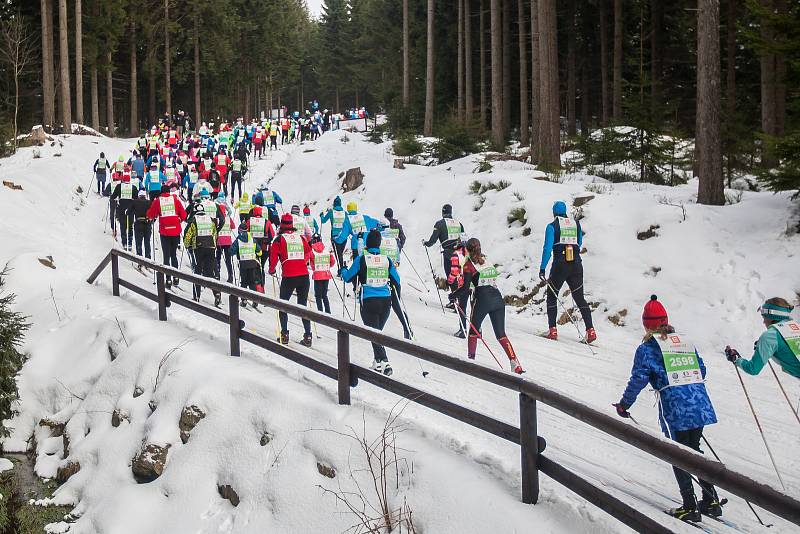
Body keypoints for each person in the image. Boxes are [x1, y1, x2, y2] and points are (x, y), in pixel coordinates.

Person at [614, 295, 720, 522]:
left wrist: (624, 405)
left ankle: (690, 506)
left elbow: (638, 379)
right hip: (699, 402)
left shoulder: (647, 348)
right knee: (694, 450)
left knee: (678, 453)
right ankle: (711, 499)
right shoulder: (682, 341)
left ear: (646, 324)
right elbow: (701, 369)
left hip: (675, 407)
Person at [449, 238, 523, 374]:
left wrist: (454, 295)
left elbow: (465, 288)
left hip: (482, 300)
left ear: (467, 250)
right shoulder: (486, 259)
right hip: (497, 298)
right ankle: (515, 363)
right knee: (501, 334)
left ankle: (470, 362)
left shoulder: (468, 265)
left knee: (473, 331)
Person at [342, 229, 401, 376]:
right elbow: (397, 280)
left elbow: (348, 277)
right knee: (376, 333)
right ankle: (377, 361)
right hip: (386, 301)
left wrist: (343, 269)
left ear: (367, 243)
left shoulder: (362, 259)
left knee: (373, 334)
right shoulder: (386, 259)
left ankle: (385, 363)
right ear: (379, 243)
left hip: (369, 301)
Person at [539, 200, 596, 344]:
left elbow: (547, 249)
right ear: (565, 211)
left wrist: (542, 268)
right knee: (579, 298)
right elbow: (580, 242)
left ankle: (552, 330)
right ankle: (590, 330)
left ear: (553, 212)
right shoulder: (575, 224)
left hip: (560, 265)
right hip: (576, 264)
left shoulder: (552, 227)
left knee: (552, 296)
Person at [725, 297, 800, 379]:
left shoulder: (770, 336)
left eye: (764, 317)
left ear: (771, 316)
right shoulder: (796, 327)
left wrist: (736, 359)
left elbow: (753, 369)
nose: (764, 322)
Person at [269, 213, 313, 347]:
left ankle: (284, 334)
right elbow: (308, 250)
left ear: (281, 225)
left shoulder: (278, 239)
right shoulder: (301, 238)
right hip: (304, 276)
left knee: (283, 305)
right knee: (302, 306)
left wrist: (272, 269)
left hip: (289, 276)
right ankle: (308, 335)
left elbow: (273, 257)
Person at [146, 184, 187, 289]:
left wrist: (150, 216)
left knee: (166, 255)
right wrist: (179, 220)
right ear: (169, 192)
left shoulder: (158, 201)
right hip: (176, 231)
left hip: (165, 232)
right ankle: (176, 277)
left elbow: (151, 214)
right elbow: (183, 215)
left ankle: (168, 279)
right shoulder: (176, 200)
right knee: (174, 255)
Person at [380, 219, 411, 339]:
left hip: (383, 277)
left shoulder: (379, 240)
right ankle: (406, 328)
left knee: (385, 306)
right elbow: (398, 260)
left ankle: (376, 331)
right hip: (394, 277)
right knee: (396, 306)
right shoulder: (394, 241)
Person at [423, 204, 465, 281]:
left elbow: (432, 241)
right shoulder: (459, 223)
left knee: (451, 278)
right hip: (460, 253)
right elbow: (464, 239)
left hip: (449, 254)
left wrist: (426, 243)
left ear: (443, 212)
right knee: (460, 277)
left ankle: (454, 291)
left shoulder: (440, 224)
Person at [334, 202, 380, 272]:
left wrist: (336, 240)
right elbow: (378, 224)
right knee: (368, 263)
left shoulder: (347, 220)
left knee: (357, 266)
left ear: (348, 209)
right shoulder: (364, 217)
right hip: (369, 244)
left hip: (356, 245)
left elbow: (342, 236)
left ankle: (357, 280)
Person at [229, 223, 262, 308]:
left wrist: (234, 252)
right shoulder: (252, 238)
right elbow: (259, 251)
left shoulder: (238, 239)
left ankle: (244, 300)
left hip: (243, 263)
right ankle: (255, 299)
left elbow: (231, 251)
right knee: (252, 281)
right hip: (252, 263)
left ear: (239, 230)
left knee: (244, 282)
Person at [447, 239, 471, 338]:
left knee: (462, 306)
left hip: (463, 283)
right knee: (475, 308)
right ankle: (477, 329)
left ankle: (463, 330)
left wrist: (449, 281)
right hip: (475, 284)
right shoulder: (474, 254)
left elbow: (454, 271)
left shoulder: (456, 254)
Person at [109, 172, 138, 251]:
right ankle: (130, 243)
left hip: (121, 208)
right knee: (130, 226)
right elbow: (136, 197)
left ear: (123, 180)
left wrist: (112, 197)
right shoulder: (133, 187)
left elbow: (114, 196)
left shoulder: (119, 186)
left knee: (123, 225)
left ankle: (124, 242)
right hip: (130, 209)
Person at [310, 233, 336, 314]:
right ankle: (328, 312)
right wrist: (327, 267)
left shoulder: (312, 251)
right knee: (324, 295)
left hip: (317, 276)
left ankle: (320, 312)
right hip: (326, 275)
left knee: (318, 296)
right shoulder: (326, 251)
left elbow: (312, 265)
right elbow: (333, 261)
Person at [320, 196, 347, 269]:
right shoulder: (345, 213)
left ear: (334, 204)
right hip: (344, 236)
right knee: (340, 253)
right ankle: (342, 267)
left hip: (335, 236)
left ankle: (341, 269)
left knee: (338, 254)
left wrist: (321, 215)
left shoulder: (331, 212)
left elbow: (323, 221)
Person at [131, 190, 153, 259]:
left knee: (138, 242)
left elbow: (128, 212)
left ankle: (139, 258)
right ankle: (148, 257)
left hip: (138, 223)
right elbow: (153, 212)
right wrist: (152, 220)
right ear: (145, 196)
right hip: (147, 223)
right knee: (147, 241)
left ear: (139, 196)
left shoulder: (135, 202)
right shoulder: (149, 202)